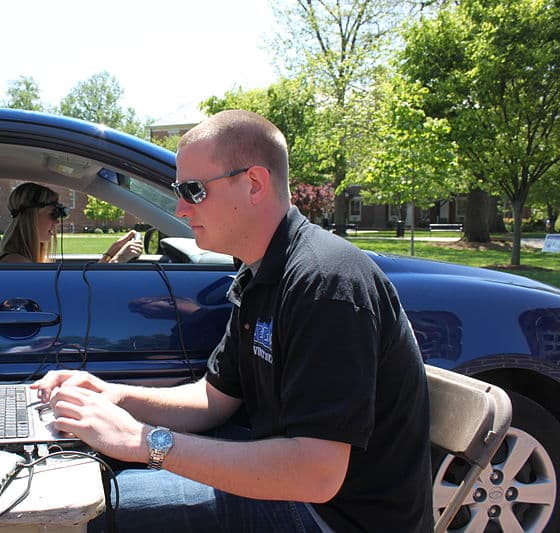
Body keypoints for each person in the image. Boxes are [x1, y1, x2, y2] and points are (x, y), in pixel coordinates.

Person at [33, 110, 433, 532]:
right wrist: (112, 396)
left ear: (254, 183)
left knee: (87, 516)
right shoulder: (261, 272)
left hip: (335, 518)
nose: (181, 209)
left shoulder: (325, 283)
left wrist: (143, 442)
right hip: (294, 486)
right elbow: (213, 400)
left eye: (193, 190)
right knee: (86, 476)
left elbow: (317, 474)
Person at [0, 182, 143, 264]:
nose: (56, 222)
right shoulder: (16, 264)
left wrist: (110, 254)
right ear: (31, 216)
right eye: (53, 214)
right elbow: (75, 300)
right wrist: (118, 260)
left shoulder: (22, 259)